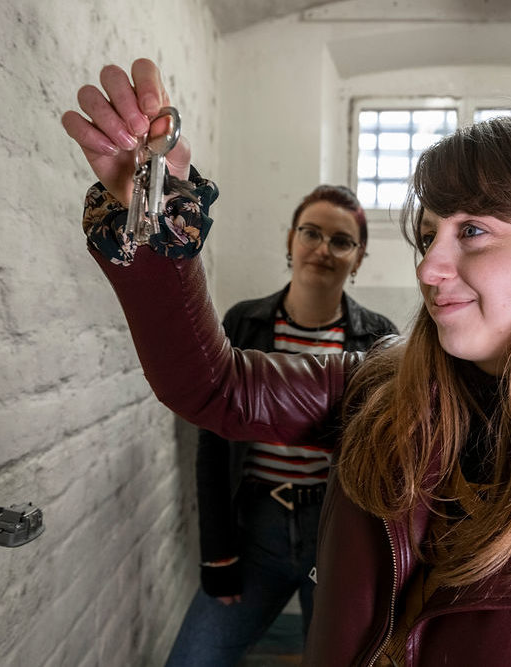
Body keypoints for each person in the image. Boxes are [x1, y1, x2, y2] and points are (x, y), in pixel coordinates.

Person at [62, 60, 511, 666]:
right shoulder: (382, 384)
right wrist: (153, 224)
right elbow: (214, 384)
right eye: (429, 235)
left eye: (474, 230)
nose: (430, 268)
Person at [164, 184, 397, 665]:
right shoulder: (243, 322)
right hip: (256, 528)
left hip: (337, 531)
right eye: (311, 232)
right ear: (291, 239)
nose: (323, 249)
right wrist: (217, 554)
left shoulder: (379, 338)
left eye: (342, 241)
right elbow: (213, 449)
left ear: (359, 258)